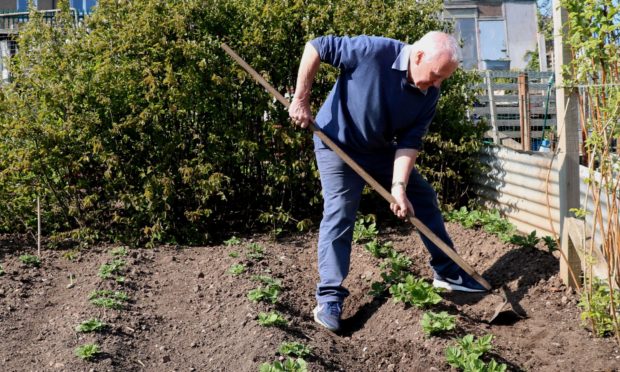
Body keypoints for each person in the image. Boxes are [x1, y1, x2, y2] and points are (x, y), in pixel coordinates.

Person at [289, 32, 487, 332]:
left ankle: (447, 271)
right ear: (418, 57)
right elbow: (315, 46)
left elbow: (410, 141)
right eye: (435, 76)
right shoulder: (373, 51)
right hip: (336, 145)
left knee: (422, 197)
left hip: (379, 149)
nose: (437, 85)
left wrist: (398, 188)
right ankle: (329, 297)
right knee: (340, 213)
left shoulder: (429, 94)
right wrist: (301, 99)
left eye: (442, 79)